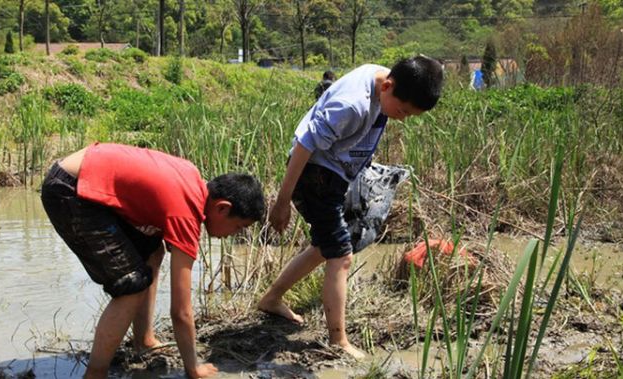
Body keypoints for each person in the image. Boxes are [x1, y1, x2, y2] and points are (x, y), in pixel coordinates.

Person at [258, 56, 444, 358]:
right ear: (388, 86)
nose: (402, 118)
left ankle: (271, 298)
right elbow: (305, 144)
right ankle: (339, 341)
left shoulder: (381, 80)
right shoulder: (353, 104)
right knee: (341, 256)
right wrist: (282, 202)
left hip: (333, 174)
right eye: (403, 111)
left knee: (325, 247)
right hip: (315, 175)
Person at [41, 142, 265, 379]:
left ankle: (144, 339)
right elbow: (181, 312)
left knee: (152, 252)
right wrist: (193, 368)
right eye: (239, 226)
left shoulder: (193, 179)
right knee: (132, 285)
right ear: (222, 208)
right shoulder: (185, 212)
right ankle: (95, 374)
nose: (234, 234)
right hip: (69, 190)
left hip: (79, 177)